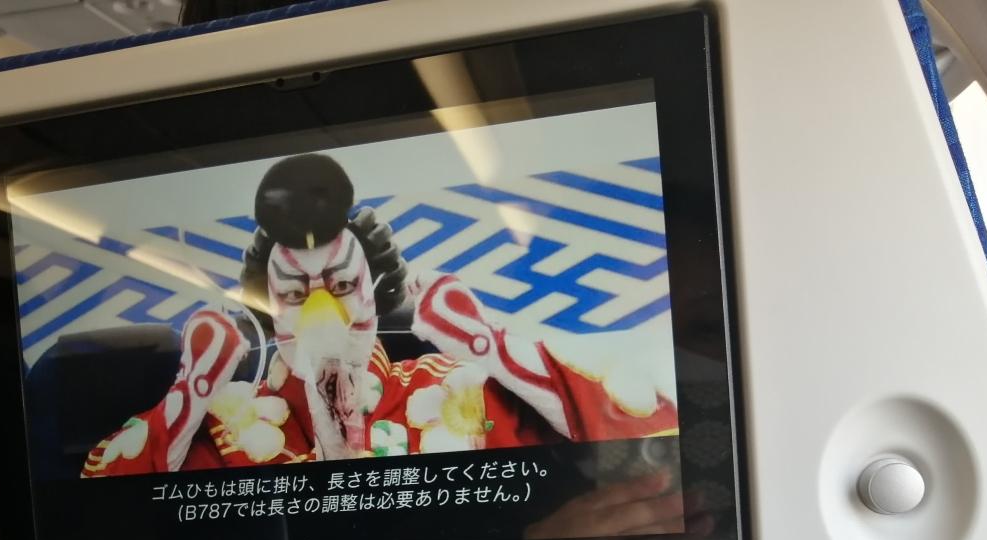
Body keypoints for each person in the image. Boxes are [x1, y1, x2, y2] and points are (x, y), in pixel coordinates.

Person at [82, 153, 678, 476]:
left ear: (375, 293)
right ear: (269, 312)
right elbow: (105, 494)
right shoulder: (228, 426)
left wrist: (491, 350)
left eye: (343, 285)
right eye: (295, 295)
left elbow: (647, 438)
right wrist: (190, 397)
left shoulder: (460, 395)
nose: (322, 310)